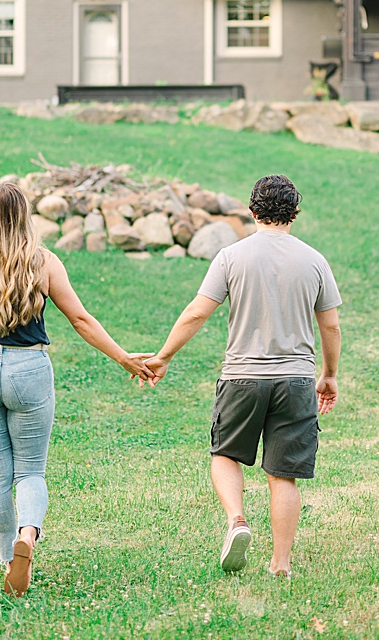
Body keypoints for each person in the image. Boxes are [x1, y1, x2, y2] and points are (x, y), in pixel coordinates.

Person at [0, 180, 157, 597]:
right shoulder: (43, 262)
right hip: (29, 372)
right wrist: (124, 357)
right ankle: (27, 536)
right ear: (24, 216)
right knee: (31, 471)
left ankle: (8, 560)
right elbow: (81, 320)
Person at [143, 174, 342, 578]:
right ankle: (281, 564)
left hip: (242, 378)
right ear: (293, 214)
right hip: (296, 380)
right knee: (283, 474)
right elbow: (331, 327)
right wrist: (330, 375)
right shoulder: (314, 260)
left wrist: (163, 356)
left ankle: (237, 520)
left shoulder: (231, 257)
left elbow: (198, 312)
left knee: (225, 455)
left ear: (252, 212)